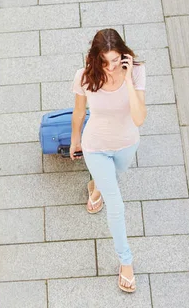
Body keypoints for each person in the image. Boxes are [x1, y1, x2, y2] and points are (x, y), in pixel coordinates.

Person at [69, 28, 146, 293]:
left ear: (123, 56)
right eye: (105, 62)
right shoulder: (85, 76)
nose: (111, 67)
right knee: (117, 205)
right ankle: (126, 262)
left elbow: (138, 119)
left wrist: (127, 82)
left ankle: (97, 186)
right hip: (96, 146)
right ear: (95, 58)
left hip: (126, 144)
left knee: (110, 180)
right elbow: (79, 111)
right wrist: (75, 139)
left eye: (116, 61)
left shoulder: (135, 72)